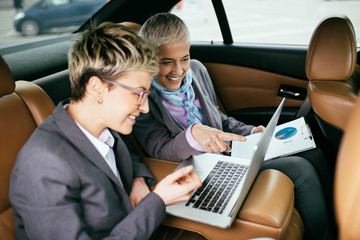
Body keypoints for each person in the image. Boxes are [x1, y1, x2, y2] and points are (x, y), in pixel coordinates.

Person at [132, 13, 335, 240]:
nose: (178, 70)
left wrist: (250, 132)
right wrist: (193, 135)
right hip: (202, 167)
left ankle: (338, 223)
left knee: (313, 153)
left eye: (184, 58)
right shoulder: (142, 97)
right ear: (149, 59)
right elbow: (159, 151)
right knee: (300, 169)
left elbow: (220, 119)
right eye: (166, 62)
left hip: (232, 152)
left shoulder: (197, 71)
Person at [8, 22, 203, 240]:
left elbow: (124, 153)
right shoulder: (43, 167)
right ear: (97, 88)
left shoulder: (102, 125)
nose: (145, 107)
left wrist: (138, 178)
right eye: (139, 94)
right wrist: (158, 201)